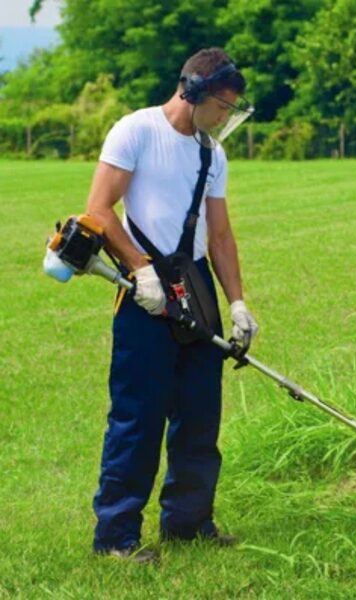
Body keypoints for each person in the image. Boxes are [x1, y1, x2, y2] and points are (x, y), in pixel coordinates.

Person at [86, 47, 258, 563]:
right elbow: (98, 209)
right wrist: (139, 269)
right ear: (195, 92)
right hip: (144, 288)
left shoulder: (212, 153)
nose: (226, 117)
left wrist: (238, 303)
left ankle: (188, 522)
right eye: (223, 107)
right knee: (139, 415)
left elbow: (221, 234)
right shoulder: (136, 131)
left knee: (200, 413)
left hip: (195, 284)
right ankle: (116, 538)